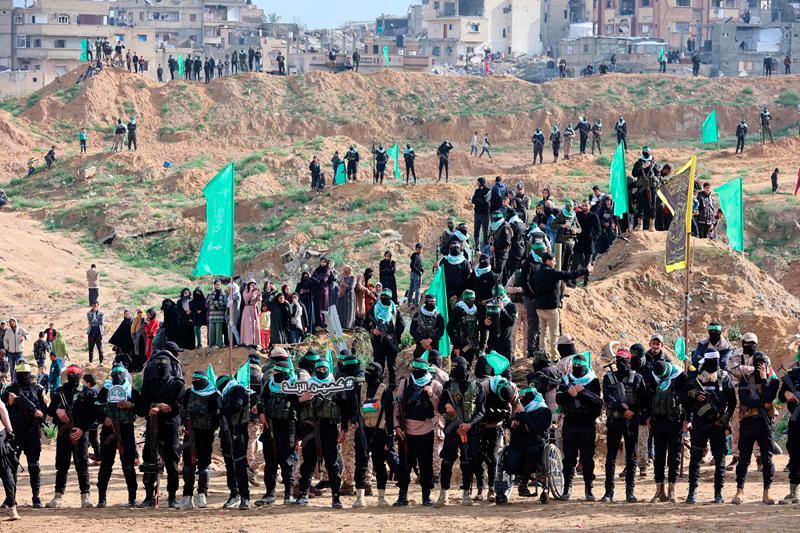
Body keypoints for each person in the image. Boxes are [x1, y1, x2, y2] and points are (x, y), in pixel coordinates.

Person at [683, 350, 736, 505]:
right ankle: (692, 492)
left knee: (720, 459)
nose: (714, 363)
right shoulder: (696, 377)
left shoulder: (725, 377)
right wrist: (693, 394)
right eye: (711, 360)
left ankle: (718, 493)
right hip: (700, 422)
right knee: (695, 457)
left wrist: (726, 417)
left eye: (716, 360)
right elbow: (683, 397)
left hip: (718, 423)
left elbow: (732, 401)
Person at [295, 359, 348, 508]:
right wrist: (302, 399)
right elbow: (296, 408)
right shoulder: (307, 385)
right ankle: (303, 494)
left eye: (324, 369)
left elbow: (344, 407)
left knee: (332, 464)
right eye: (319, 369)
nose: (322, 371)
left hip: (329, 427)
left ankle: (336, 497)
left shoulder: (336, 385)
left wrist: (343, 429)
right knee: (307, 464)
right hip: (310, 427)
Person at [435, 356, 485, 507]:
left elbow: (481, 411)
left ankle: (466, 494)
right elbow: (440, 406)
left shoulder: (477, 386)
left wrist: (469, 425)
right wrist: (446, 407)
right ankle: (443, 494)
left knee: (467, 462)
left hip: (470, 430)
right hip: (452, 430)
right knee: (447, 461)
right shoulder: (449, 385)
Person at [393, 356, 443, 506]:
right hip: (406, 432)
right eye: (413, 369)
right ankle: (402, 496)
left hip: (426, 430)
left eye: (418, 370)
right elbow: (397, 405)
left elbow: (439, 408)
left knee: (426, 465)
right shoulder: (405, 382)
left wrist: (431, 394)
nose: (415, 372)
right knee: (404, 465)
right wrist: (397, 426)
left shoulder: (435, 384)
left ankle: (426, 496)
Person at [136, 353, 184, 507]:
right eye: (159, 364)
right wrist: (150, 408)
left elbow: (183, 406)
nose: (162, 367)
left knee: (172, 463)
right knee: (149, 461)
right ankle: (149, 495)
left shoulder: (177, 384)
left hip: (170, 427)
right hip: (152, 426)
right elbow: (141, 405)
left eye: (164, 364)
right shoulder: (149, 384)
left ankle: (172, 496)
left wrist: (168, 407)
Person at [46, 364, 97, 508]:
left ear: (80, 375)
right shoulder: (60, 392)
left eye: (75, 373)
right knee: (62, 465)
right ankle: (58, 497)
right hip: (63, 434)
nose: (72, 375)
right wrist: (57, 411)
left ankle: (85, 496)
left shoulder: (87, 392)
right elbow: (50, 410)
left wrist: (83, 429)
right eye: (70, 373)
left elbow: (94, 414)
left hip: (81, 434)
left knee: (82, 465)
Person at [601, 348, 647, 503]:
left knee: (631, 457)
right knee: (611, 457)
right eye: (619, 360)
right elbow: (608, 398)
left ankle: (630, 492)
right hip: (614, 421)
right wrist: (622, 408)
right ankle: (609, 492)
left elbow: (643, 399)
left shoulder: (638, 378)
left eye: (624, 360)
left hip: (631, 421)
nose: (622, 363)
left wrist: (632, 411)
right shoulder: (609, 378)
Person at [732, 351, 779, 505]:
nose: (760, 367)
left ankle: (767, 492)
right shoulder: (746, 380)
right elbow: (745, 400)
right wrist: (761, 404)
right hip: (748, 423)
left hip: (765, 425)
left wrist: (764, 379)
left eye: (763, 364)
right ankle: (740, 490)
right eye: (757, 364)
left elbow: (769, 397)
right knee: (744, 458)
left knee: (767, 459)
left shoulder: (773, 381)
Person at [556, 352, 602, 500]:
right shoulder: (566, 379)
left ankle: (589, 488)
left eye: (579, 366)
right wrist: (569, 394)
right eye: (574, 365)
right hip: (570, 424)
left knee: (587, 459)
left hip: (587, 425)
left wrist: (580, 394)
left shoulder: (592, 381)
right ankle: (566, 488)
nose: (576, 368)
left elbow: (596, 402)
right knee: (569, 459)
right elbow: (559, 398)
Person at [2, 361, 47, 509]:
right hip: (14, 434)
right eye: (21, 374)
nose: (23, 377)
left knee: (34, 466)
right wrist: (10, 403)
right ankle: (11, 498)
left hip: (32, 433)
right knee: (12, 467)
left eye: (25, 374)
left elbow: (43, 412)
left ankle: (36, 497)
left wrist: (37, 414)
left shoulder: (37, 389)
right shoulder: (9, 391)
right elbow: (2, 410)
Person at [255, 357, 297, 506]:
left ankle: (288, 494)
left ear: (286, 374)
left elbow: (298, 405)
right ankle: (270, 494)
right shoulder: (269, 385)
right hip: (270, 427)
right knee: (270, 461)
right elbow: (260, 402)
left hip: (287, 428)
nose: (276, 374)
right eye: (275, 371)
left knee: (286, 461)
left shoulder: (293, 386)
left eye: (279, 372)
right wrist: (260, 413)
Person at [95, 364, 139, 507]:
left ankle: (132, 498)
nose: (117, 376)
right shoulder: (106, 390)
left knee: (128, 466)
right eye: (114, 374)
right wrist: (104, 419)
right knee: (106, 465)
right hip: (109, 432)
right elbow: (95, 407)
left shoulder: (132, 391)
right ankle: (102, 498)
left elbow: (142, 408)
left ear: (124, 375)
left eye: (120, 374)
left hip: (126, 431)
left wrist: (131, 405)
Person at [533, 253, 592, 359]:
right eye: (554, 260)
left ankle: (542, 354)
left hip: (539, 307)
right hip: (551, 309)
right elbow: (569, 274)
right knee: (554, 334)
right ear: (548, 261)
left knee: (543, 332)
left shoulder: (537, 272)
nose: (555, 262)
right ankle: (554, 357)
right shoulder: (552, 272)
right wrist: (585, 270)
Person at [647, 359, 687, 503]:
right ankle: (659, 490)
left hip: (675, 423)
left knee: (674, 458)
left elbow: (687, 398)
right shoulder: (653, 375)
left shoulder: (680, 376)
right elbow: (648, 396)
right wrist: (648, 416)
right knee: (658, 458)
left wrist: (687, 419)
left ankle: (672, 490)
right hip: (657, 423)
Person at [215, 374, 252, 510]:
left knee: (240, 466)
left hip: (238, 433)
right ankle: (234, 494)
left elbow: (237, 405)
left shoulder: (238, 390)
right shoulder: (223, 395)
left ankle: (245, 497)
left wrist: (221, 410)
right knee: (230, 466)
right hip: (226, 432)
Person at [365, 289, 404, 389]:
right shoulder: (374, 308)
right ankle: (378, 384)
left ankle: (392, 385)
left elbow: (402, 324)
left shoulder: (394, 309)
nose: (384, 299)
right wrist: (373, 330)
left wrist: (394, 335)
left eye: (386, 298)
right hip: (378, 342)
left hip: (391, 342)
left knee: (392, 365)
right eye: (382, 297)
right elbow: (365, 323)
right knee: (378, 364)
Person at [778, 359, 800, 504]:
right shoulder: (793, 375)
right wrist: (786, 393)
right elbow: (780, 396)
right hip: (796, 421)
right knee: (795, 454)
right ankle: (793, 493)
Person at [484, 286, 517, 364]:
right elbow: (488, 326)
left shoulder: (511, 306)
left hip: (505, 341)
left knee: (506, 368)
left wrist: (502, 310)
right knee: (493, 368)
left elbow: (511, 322)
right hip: (493, 342)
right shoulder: (490, 306)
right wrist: (486, 323)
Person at [573, 199, 600, 286]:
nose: (584, 207)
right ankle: (573, 281)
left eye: (586, 205)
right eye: (583, 205)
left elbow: (598, 230)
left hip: (589, 243)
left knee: (588, 263)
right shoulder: (577, 215)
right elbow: (573, 226)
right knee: (576, 262)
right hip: (579, 241)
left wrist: (593, 238)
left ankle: (586, 282)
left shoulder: (594, 216)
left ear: (589, 206)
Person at [410, 294, 444, 359]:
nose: (432, 304)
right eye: (430, 302)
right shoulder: (417, 314)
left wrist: (430, 340)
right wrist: (422, 340)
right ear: (425, 302)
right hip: (420, 345)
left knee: (435, 366)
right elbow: (412, 330)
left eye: (434, 302)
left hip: (434, 346)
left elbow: (441, 331)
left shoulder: (439, 316)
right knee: (418, 365)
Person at [337, 265, 357, 330]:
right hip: (342, 296)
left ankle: (348, 325)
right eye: (347, 269)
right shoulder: (342, 277)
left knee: (349, 310)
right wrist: (344, 285)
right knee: (341, 310)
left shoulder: (353, 277)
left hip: (349, 296)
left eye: (350, 269)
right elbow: (338, 283)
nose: (350, 270)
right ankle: (341, 324)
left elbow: (351, 287)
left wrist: (343, 285)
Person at [408, 244, 424, 309]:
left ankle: (410, 303)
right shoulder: (415, 255)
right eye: (419, 249)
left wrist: (421, 269)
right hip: (416, 274)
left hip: (414, 273)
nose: (420, 250)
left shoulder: (418, 256)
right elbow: (412, 265)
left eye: (421, 249)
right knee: (417, 289)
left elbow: (418, 265)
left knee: (411, 288)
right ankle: (416, 304)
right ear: (416, 249)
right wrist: (418, 271)